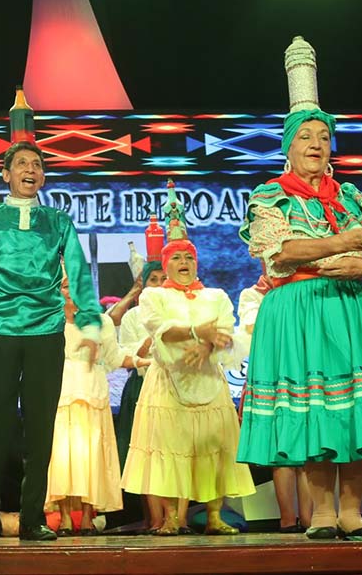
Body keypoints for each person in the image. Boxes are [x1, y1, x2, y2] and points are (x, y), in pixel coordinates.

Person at [237, 38, 362, 540]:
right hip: (299, 308)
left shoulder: (349, 194)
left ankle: (351, 511)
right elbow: (280, 251)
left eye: (324, 136)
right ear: (288, 145)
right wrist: (342, 244)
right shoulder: (269, 195)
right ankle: (320, 515)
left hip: (352, 308)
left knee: (359, 408)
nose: (317, 145)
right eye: (306, 137)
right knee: (314, 412)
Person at [0, 89, 103, 542]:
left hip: (45, 333)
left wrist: (92, 321)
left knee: (40, 429)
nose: (31, 171)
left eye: (37, 166)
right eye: (22, 165)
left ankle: (33, 519)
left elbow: (78, 275)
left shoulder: (58, 222)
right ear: (5, 174)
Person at [121, 182, 255, 535]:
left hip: (210, 382)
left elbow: (227, 333)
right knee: (169, 449)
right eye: (177, 258)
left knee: (214, 449)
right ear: (166, 265)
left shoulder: (216, 295)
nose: (184, 263)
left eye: (189, 257)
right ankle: (169, 518)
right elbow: (162, 330)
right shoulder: (153, 296)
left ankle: (213, 515)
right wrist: (199, 333)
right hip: (168, 383)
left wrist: (209, 345)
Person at [46, 271, 138, 535]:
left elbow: (114, 357)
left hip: (93, 393)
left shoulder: (101, 323)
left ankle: (87, 517)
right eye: (64, 286)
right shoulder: (45, 321)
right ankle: (64, 518)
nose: (70, 291)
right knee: (62, 457)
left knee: (91, 456)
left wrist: (146, 357)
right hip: (59, 394)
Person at [237, 273, 310, 533]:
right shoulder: (252, 294)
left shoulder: (303, 290)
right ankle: (288, 518)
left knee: (307, 452)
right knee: (282, 453)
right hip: (271, 372)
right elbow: (251, 325)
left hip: (303, 371)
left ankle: (312, 519)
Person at [112, 220, 168, 531]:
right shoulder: (134, 316)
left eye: (163, 278)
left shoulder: (180, 308)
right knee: (147, 456)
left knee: (173, 454)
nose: (159, 283)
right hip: (141, 390)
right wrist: (156, 333)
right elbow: (132, 354)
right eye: (153, 279)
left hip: (175, 390)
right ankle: (154, 519)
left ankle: (176, 518)